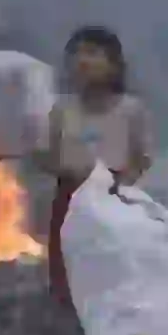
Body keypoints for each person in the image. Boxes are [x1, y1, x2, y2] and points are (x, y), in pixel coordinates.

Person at [31, 26, 153, 306]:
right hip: (70, 197)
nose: (82, 61)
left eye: (93, 53)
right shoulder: (62, 110)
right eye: (76, 54)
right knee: (69, 274)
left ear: (114, 64)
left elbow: (141, 158)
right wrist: (42, 158)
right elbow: (48, 157)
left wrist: (119, 189)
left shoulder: (130, 110)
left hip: (114, 196)